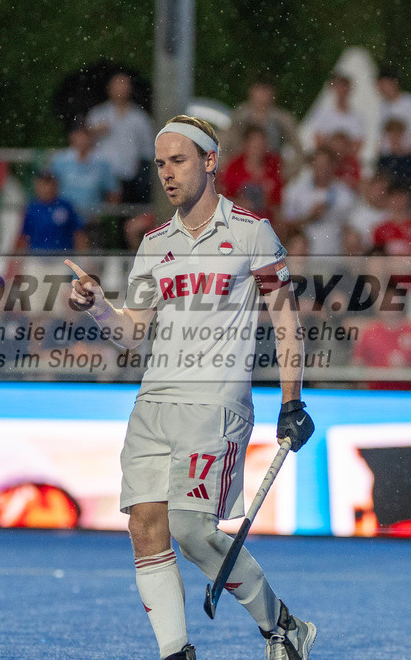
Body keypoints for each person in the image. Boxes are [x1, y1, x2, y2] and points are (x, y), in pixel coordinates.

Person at [65, 115, 317, 660]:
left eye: (178, 160)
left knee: (192, 529)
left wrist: (292, 400)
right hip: (153, 403)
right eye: (160, 164)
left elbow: (285, 321)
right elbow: (132, 332)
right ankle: (176, 653)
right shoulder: (154, 243)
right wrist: (97, 307)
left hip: (215, 406)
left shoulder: (252, 231)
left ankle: (282, 625)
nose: (167, 174)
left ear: (209, 161)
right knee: (146, 528)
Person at [86, 72, 156, 203]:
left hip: (130, 177)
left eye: (124, 85)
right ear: (109, 88)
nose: (121, 89)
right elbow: (83, 145)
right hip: (101, 177)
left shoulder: (140, 118)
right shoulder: (97, 114)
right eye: (117, 85)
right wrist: (92, 132)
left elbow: (148, 149)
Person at [223, 78, 305, 179]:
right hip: (241, 174)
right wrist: (228, 169)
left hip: (272, 174)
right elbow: (224, 145)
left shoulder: (282, 120)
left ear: (272, 93)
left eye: (265, 90)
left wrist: (286, 173)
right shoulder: (240, 116)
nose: (262, 95)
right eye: (259, 90)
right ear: (251, 91)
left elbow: (298, 149)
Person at [281, 146, 355, 256]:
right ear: (312, 165)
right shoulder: (295, 189)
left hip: (333, 259)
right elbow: (285, 227)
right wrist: (309, 217)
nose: (321, 169)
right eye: (318, 165)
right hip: (303, 259)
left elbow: (351, 230)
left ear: (333, 166)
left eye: (325, 165)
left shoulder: (344, 194)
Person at [217, 124, 285, 224]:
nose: (258, 150)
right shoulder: (233, 167)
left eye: (261, 145)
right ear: (246, 145)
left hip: (266, 222)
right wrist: (241, 204)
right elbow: (222, 199)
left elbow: (278, 202)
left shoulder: (273, 165)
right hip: (240, 221)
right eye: (255, 145)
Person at [375, 66, 411, 151]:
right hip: (389, 156)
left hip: (409, 155)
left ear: (394, 83)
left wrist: (406, 153)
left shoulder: (410, 102)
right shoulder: (382, 105)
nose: (381, 89)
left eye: (384, 84)